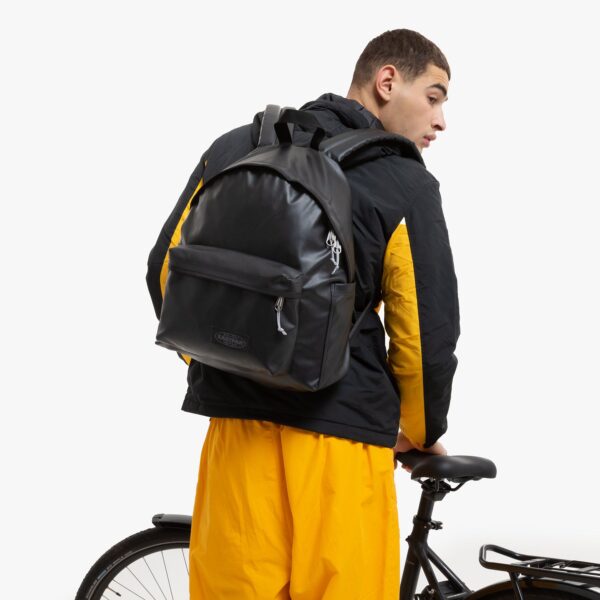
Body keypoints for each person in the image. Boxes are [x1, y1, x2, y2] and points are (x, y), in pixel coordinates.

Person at [146, 27, 459, 600]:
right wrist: (418, 432)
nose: (440, 121)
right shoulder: (403, 181)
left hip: (237, 435)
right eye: (434, 97)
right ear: (388, 81)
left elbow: (165, 273)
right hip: (342, 438)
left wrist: (231, 360)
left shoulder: (236, 146)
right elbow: (424, 337)